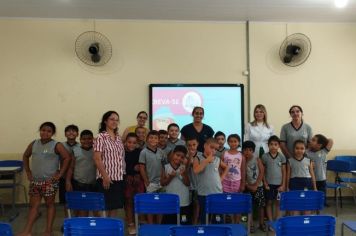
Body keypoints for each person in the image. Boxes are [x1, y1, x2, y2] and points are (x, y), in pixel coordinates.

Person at [18, 122, 71, 236]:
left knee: (49, 205)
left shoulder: (56, 145)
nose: (45, 133)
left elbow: (67, 157)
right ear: (40, 130)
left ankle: (48, 230)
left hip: (49, 182)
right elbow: (25, 155)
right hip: (35, 181)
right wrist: (28, 171)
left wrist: (60, 174)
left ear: (52, 133)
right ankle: (27, 231)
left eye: (49, 131)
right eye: (43, 130)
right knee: (34, 206)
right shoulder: (34, 143)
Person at [93, 111, 126, 217]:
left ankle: (111, 230)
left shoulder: (119, 138)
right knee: (104, 208)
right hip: (106, 179)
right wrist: (105, 177)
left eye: (117, 120)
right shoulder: (100, 137)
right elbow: (97, 159)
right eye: (112, 119)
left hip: (118, 178)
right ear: (105, 121)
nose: (114, 121)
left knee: (114, 207)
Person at [193, 138, 228, 224]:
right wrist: (206, 161)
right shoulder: (198, 158)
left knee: (218, 217)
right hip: (203, 193)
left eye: (216, 149)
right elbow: (196, 170)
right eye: (212, 147)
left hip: (217, 192)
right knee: (204, 217)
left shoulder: (217, 159)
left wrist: (222, 178)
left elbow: (227, 167)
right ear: (205, 146)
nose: (214, 150)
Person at [65, 129, 97, 217]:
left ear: (93, 139)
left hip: (93, 183)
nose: (86, 141)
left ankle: (94, 225)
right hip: (79, 183)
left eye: (89, 138)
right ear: (80, 140)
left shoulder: (97, 150)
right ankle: (78, 224)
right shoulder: (75, 150)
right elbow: (71, 168)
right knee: (80, 208)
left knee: (95, 207)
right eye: (84, 139)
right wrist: (68, 181)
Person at [139, 130, 166, 223]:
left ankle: (158, 224)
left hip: (160, 183)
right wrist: (146, 181)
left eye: (155, 138)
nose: (153, 140)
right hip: (150, 183)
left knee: (160, 205)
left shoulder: (161, 152)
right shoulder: (144, 152)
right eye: (151, 137)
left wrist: (163, 179)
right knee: (150, 205)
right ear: (147, 139)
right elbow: (142, 168)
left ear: (158, 140)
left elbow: (163, 166)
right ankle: (150, 224)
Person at [161, 145, 191, 225]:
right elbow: (162, 183)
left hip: (183, 201)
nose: (179, 158)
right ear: (173, 154)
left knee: (183, 225)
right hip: (170, 201)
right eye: (177, 155)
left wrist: (184, 174)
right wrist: (170, 177)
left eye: (182, 157)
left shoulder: (184, 168)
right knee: (169, 224)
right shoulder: (166, 167)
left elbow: (188, 183)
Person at [287, 140, 317, 215]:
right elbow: (288, 175)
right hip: (294, 184)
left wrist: (315, 187)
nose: (299, 150)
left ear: (305, 149)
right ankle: (297, 222)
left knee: (306, 206)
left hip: (307, 183)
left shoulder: (308, 161)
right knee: (295, 206)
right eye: (297, 148)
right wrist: (287, 187)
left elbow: (312, 175)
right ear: (293, 149)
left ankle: (305, 222)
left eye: (302, 148)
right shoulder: (290, 161)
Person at [261, 135, 286, 223]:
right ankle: (270, 221)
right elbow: (262, 172)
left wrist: (283, 184)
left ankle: (277, 220)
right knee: (269, 202)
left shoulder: (281, 157)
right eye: (271, 144)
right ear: (268, 145)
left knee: (278, 202)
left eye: (275, 144)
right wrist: (265, 183)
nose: (273, 146)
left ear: (279, 146)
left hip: (279, 185)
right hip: (269, 185)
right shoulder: (264, 156)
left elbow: (284, 171)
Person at [123, 132, 145, 235]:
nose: (131, 144)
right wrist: (128, 174)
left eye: (134, 143)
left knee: (139, 201)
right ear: (125, 142)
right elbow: (120, 167)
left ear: (137, 143)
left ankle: (138, 221)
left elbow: (141, 166)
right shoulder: (121, 152)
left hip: (138, 180)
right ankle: (130, 223)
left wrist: (138, 173)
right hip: (126, 180)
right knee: (128, 202)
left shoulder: (140, 152)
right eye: (129, 142)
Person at [221, 134, 245, 223]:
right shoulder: (225, 153)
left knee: (237, 204)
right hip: (225, 182)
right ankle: (227, 222)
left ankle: (237, 223)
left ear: (238, 143)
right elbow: (221, 168)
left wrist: (242, 184)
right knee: (226, 203)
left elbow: (243, 170)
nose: (233, 143)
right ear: (228, 142)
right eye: (231, 141)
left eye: (235, 141)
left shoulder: (241, 155)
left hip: (237, 182)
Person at [59, 124, 79, 230]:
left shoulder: (80, 146)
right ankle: (67, 221)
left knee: (76, 201)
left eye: (74, 131)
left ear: (77, 134)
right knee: (66, 201)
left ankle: (75, 221)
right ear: (65, 134)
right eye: (69, 131)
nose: (71, 133)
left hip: (76, 178)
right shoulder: (60, 146)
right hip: (63, 178)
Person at [243, 141, 266, 233]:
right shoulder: (242, 160)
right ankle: (251, 225)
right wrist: (247, 185)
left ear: (253, 151)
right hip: (248, 187)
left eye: (250, 150)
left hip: (258, 186)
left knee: (261, 206)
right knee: (249, 206)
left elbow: (261, 171)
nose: (247, 152)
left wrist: (256, 184)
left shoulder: (257, 159)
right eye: (245, 150)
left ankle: (261, 224)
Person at [307, 134, 333, 206]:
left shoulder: (323, 152)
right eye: (311, 139)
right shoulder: (307, 153)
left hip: (322, 179)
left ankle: (321, 206)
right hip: (312, 179)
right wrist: (310, 147)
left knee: (321, 198)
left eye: (313, 140)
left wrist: (323, 142)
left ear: (319, 145)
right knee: (312, 198)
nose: (310, 141)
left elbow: (331, 140)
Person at [186, 137, 200, 225]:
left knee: (197, 205)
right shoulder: (184, 155)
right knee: (187, 205)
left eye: (194, 145)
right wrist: (189, 157)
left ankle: (195, 222)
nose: (192, 147)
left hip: (198, 185)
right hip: (187, 185)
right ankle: (187, 222)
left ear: (197, 144)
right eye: (189, 145)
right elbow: (185, 171)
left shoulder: (202, 155)